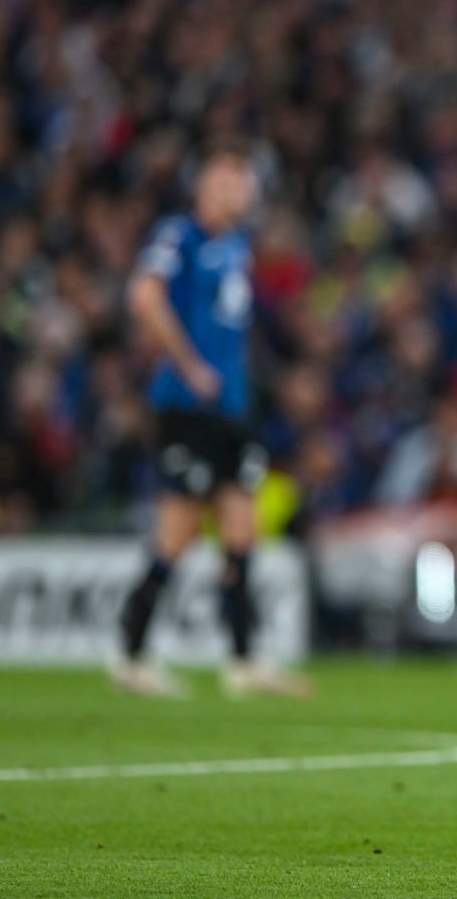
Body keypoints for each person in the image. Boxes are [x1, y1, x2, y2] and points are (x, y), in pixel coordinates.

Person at [113, 141, 309, 699]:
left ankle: (243, 662)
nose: (241, 193)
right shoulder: (181, 236)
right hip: (186, 407)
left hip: (232, 410)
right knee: (176, 534)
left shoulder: (238, 245)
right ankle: (130, 655)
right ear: (204, 187)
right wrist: (190, 364)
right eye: (230, 182)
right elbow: (144, 297)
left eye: (245, 184)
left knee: (242, 531)